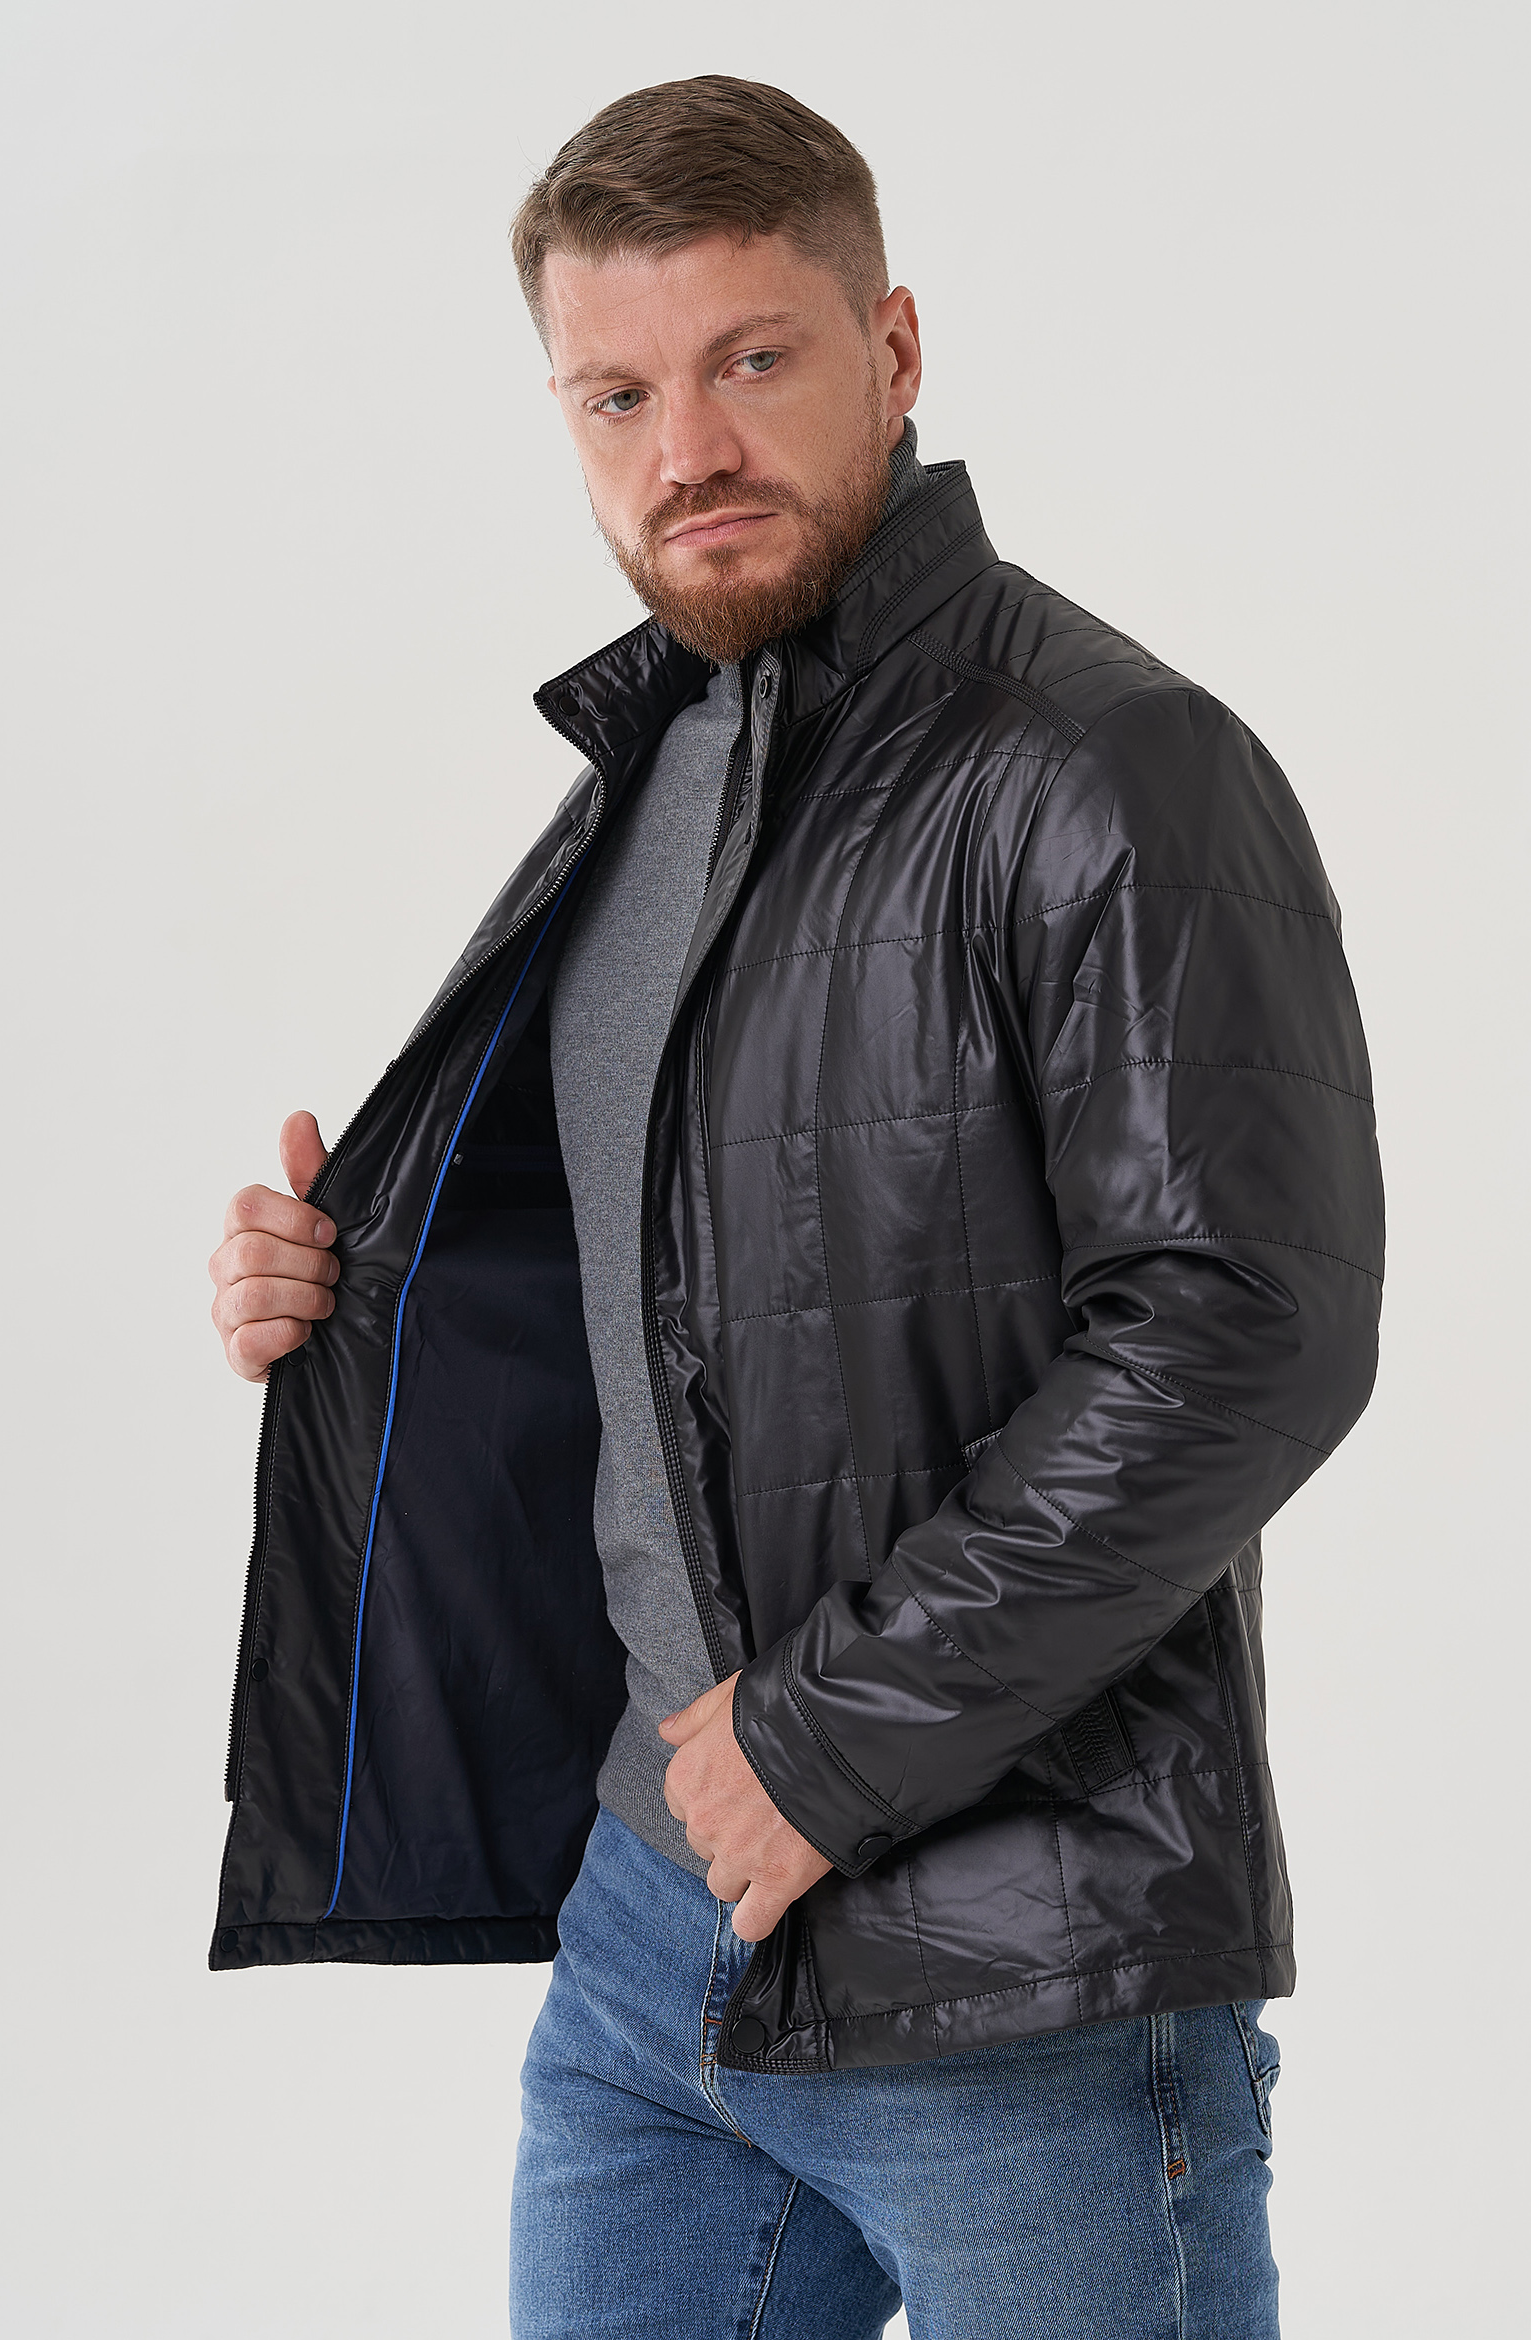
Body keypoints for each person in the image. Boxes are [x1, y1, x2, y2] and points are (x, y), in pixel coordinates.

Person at [206, 75, 1382, 2339]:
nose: (690, 450)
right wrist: (358, 1290)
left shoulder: (1110, 764)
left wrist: (821, 1742)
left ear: (895, 348)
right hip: (654, 1942)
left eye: (753, 359)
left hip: (1020, 1971)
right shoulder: (668, 758)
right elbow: (690, 1263)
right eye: (618, 394)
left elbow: (1248, 1325)